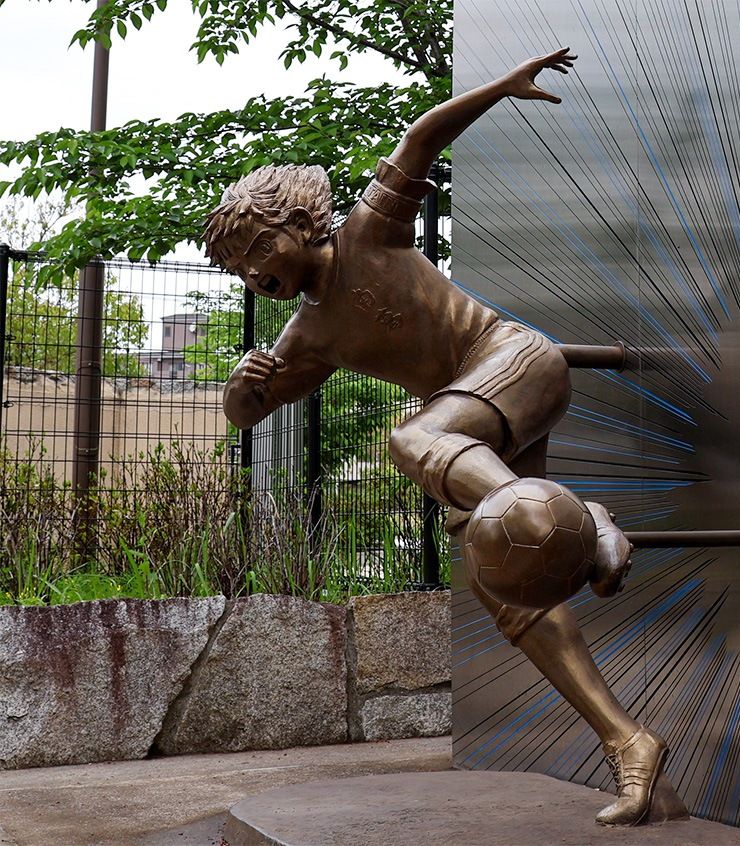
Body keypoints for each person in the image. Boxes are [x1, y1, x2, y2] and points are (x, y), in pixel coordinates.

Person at [206, 49, 686, 827]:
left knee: (409, 440)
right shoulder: (307, 336)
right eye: (238, 268)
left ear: (301, 223)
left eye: (259, 249)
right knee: (510, 587)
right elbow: (244, 416)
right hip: (471, 429)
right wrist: (242, 381)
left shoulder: (371, 234)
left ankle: (585, 519)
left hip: (516, 363)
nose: (253, 274)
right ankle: (630, 744)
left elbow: (423, 136)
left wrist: (502, 88)